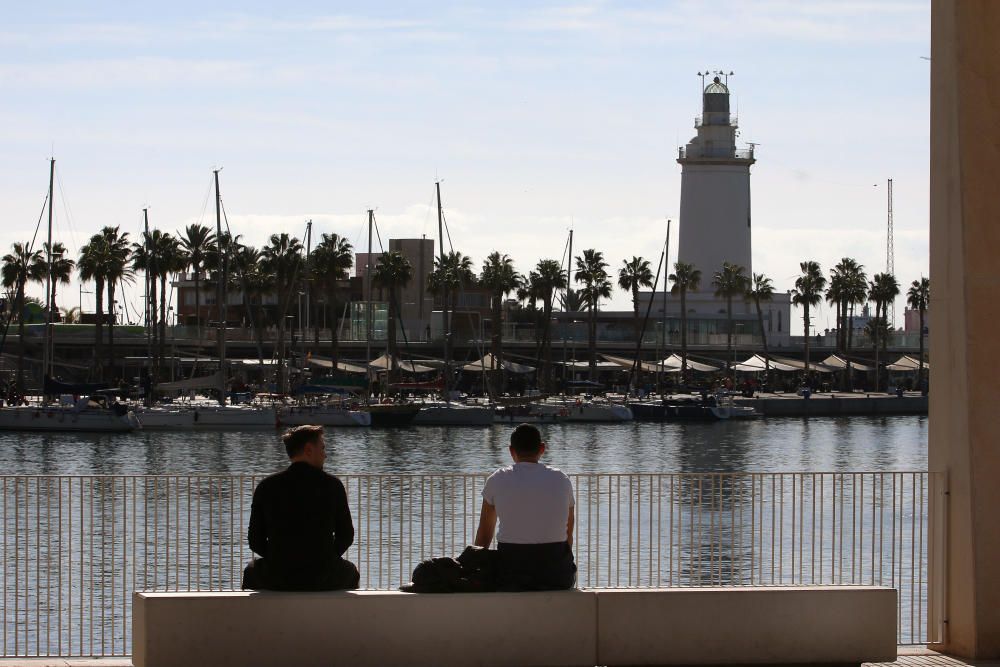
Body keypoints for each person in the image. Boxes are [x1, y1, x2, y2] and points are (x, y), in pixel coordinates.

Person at [243, 425, 360, 591]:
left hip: (277, 575)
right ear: (308, 450)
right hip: (323, 574)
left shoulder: (266, 486)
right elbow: (346, 535)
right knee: (351, 571)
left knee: (250, 571)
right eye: (323, 448)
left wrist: (277, 559)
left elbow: (255, 540)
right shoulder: (333, 485)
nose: (325, 454)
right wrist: (326, 559)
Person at [473, 424, 576, 591]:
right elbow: (568, 531)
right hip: (557, 575)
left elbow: (484, 534)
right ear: (542, 448)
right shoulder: (561, 479)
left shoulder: (497, 479)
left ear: (511, 450)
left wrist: (475, 568)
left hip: (511, 574)